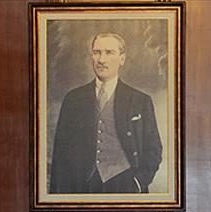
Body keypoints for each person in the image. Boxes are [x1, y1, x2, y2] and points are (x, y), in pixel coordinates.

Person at [50, 33, 163, 194]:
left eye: (109, 52)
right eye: (97, 52)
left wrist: (138, 182)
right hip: (81, 187)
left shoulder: (140, 100)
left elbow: (154, 149)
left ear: (122, 59)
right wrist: (58, 196)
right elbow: (61, 153)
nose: (101, 60)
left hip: (125, 185)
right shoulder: (73, 99)